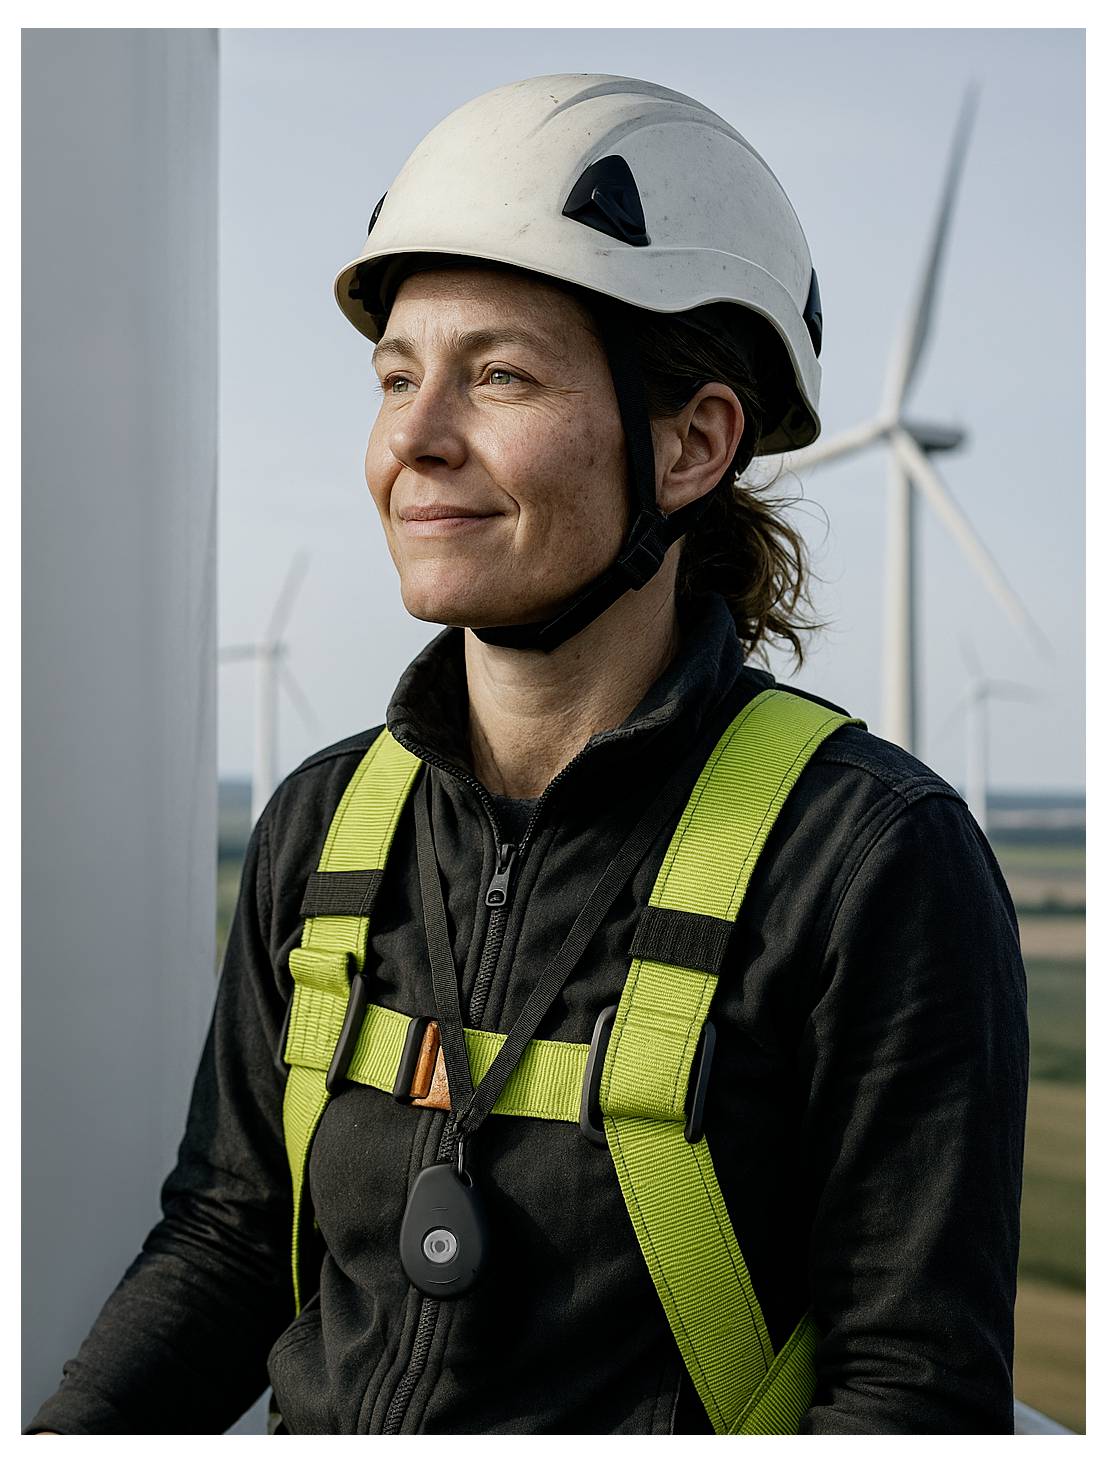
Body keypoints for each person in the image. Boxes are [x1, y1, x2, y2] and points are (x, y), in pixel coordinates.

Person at [27, 72, 1028, 1436]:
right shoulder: (326, 826)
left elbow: (910, 1391)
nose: (414, 440)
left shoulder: (866, 861)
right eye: (396, 377)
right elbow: (228, 1245)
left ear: (691, 444)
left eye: (496, 373)